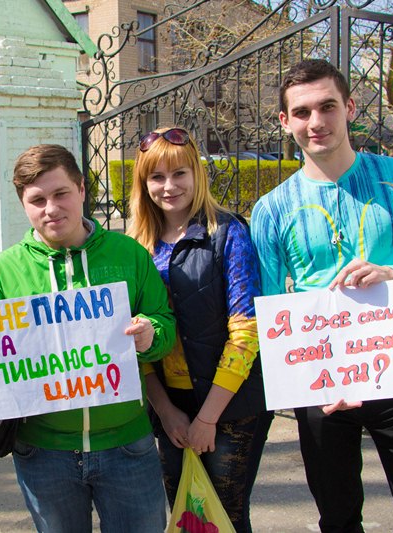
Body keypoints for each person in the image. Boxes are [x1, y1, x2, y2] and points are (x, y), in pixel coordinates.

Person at [250, 59, 393, 532]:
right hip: (321, 388)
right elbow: (268, 311)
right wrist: (307, 378)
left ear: (349, 108)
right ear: (285, 121)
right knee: (338, 519)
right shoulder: (271, 209)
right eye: (302, 112)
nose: (316, 121)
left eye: (327, 106)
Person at [0, 144, 176, 533]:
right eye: (37, 200)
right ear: (23, 204)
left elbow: (164, 325)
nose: (50, 209)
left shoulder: (129, 254)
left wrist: (151, 334)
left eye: (60, 193)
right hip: (43, 452)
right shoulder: (4, 270)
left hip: (127, 446)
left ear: (82, 189)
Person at [126, 126, 273, 532]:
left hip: (232, 404)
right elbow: (133, 341)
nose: (169, 186)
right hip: (170, 404)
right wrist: (165, 411)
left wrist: (208, 418)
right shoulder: (135, 246)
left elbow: (246, 331)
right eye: (157, 176)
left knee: (224, 518)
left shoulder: (227, 232)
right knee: (186, 517)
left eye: (179, 173)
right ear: (143, 182)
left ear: (197, 173)